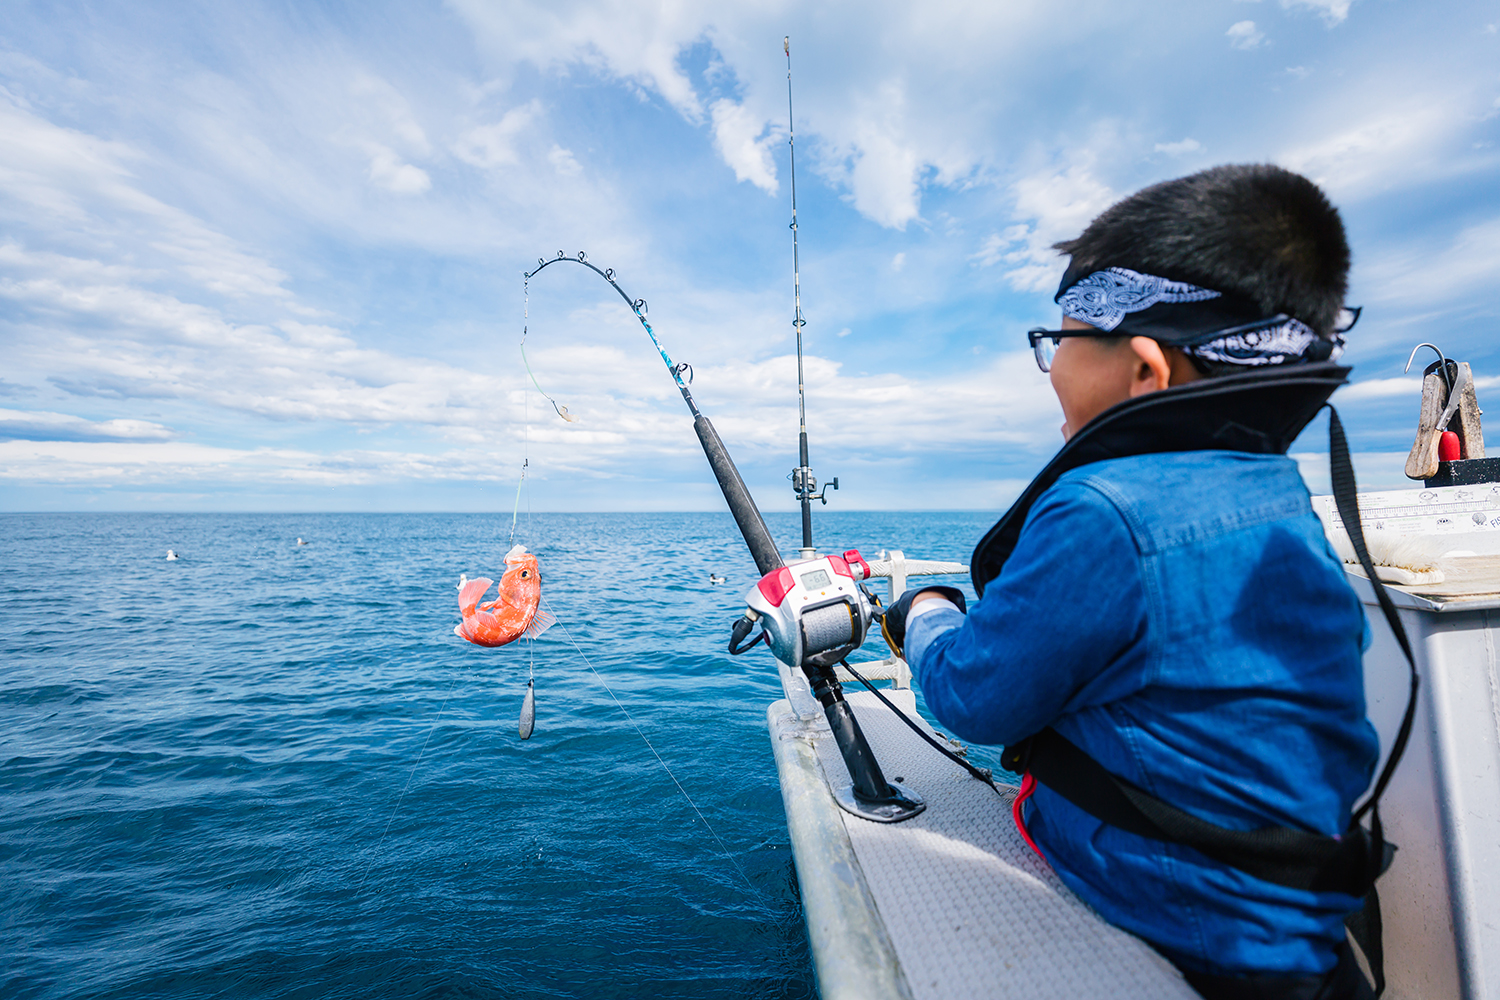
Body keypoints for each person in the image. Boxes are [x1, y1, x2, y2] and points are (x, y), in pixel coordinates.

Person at [884, 165, 1381, 999]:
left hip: (1188, 934)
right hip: (1298, 929)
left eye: (1061, 342)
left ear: (1145, 368)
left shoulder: (1104, 510)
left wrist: (926, 613)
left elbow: (975, 699)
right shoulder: (1271, 490)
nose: (1049, 370)